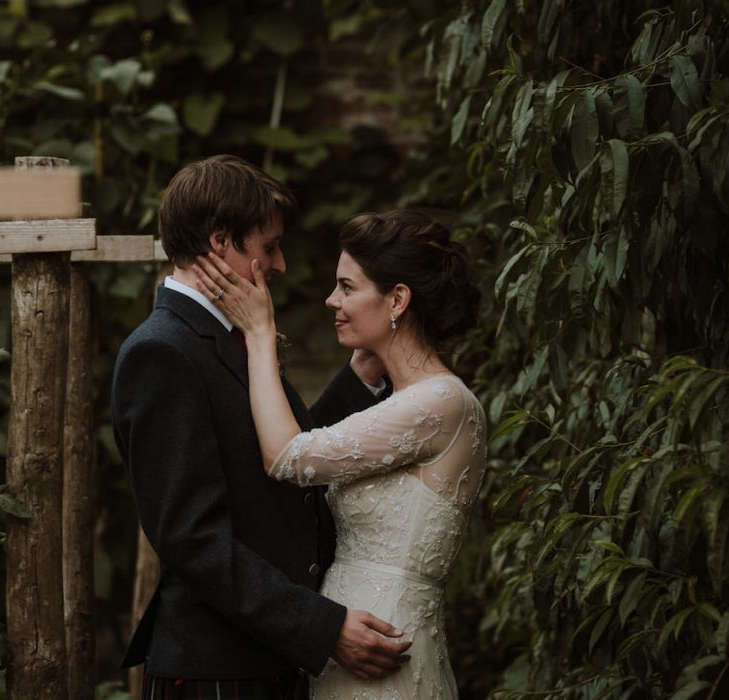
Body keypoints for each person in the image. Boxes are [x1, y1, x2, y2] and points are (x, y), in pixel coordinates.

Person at [111, 155, 412, 700]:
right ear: (220, 241)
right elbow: (192, 540)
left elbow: (288, 456)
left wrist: (359, 378)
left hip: (267, 660)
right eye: (269, 247)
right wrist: (321, 627)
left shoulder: (230, 333)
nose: (280, 265)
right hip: (217, 671)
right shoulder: (162, 352)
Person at [192, 209, 487, 699]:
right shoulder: (403, 401)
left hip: (385, 656)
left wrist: (260, 334)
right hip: (345, 652)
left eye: (347, 287)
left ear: (397, 299)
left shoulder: (440, 402)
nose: (332, 300)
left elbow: (287, 456)